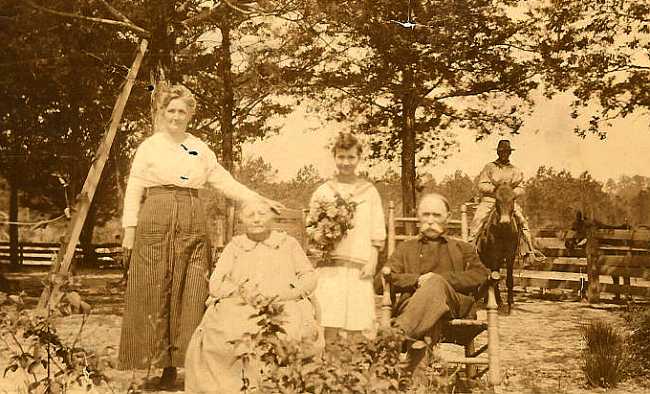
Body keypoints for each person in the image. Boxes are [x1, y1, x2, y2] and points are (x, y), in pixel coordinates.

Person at [117, 84, 283, 390]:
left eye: (183, 111)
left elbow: (225, 183)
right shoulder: (149, 147)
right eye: (171, 110)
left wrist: (258, 200)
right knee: (154, 289)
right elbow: (134, 188)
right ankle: (155, 366)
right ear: (162, 112)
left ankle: (184, 365)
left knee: (191, 291)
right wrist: (130, 230)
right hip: (155, 215)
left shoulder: (200, 149)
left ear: (191, 114)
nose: (177, 116)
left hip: (193, 217)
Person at [184, 200, 320, 393]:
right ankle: (231, 386)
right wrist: (239, 292)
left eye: (262, 214)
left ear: (272, 217)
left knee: (290, 327)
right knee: (223, 330)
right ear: (241, 219)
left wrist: (289, 293)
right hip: (240, 303)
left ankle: (276, 384)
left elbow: (309, 276)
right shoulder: (235, 246)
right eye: (250, 215)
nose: (257, 219)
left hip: (281, 302)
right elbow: (215, 283)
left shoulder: (287, 244)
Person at [388, 193, 490, 371]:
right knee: (429, 314)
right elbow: (383, 279)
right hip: (414, 308)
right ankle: (418, 383)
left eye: (436, 215)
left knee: (435, 282)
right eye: (425, 215)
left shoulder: (462, 248)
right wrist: (417, 280)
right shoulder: (405, 248)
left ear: (448, 218)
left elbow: (480, 274)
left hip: (453, 307)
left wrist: (441, 280)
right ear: (418, 217)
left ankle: (394, 338)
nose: (430, 220)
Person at [309, 132, 386, 344]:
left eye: (351, 157)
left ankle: (353, 372)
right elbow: (312, 227)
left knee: (358, 324)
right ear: (334, 157)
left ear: (359, 158)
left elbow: (377, 232)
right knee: (328, 321)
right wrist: (321, 237)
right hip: (330, 265)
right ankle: (327, 371)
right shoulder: (323, 191)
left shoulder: (369, 192)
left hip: (358, 265)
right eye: (341, 157)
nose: (346, 162)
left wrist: (372, 260)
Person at [467, 140, 540, 259]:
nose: (504, 154)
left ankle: (528, 250)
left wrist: (510, 193)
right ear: (498, 152)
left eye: (507, 152)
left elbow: (521, 188)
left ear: (510, 153)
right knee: (477, 220)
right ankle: (470, 251)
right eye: (502, 152)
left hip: (508, 202)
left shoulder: (515, 170)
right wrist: (495, 191)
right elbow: (481, 185)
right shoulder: (489, 167)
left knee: (522, 221)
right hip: (490, 200)